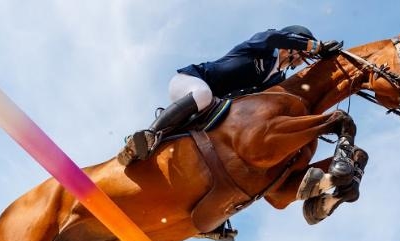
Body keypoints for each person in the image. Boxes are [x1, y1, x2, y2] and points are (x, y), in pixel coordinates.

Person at [118, 25, 342, 165]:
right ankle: (148, 135)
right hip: (192, 82)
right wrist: (316, 46)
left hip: (214, 107)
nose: (301, 61)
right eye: (302, 54)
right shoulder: (264, 45)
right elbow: (276, 38)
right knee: (204, 94)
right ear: (292, 44)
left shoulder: (275, 80)